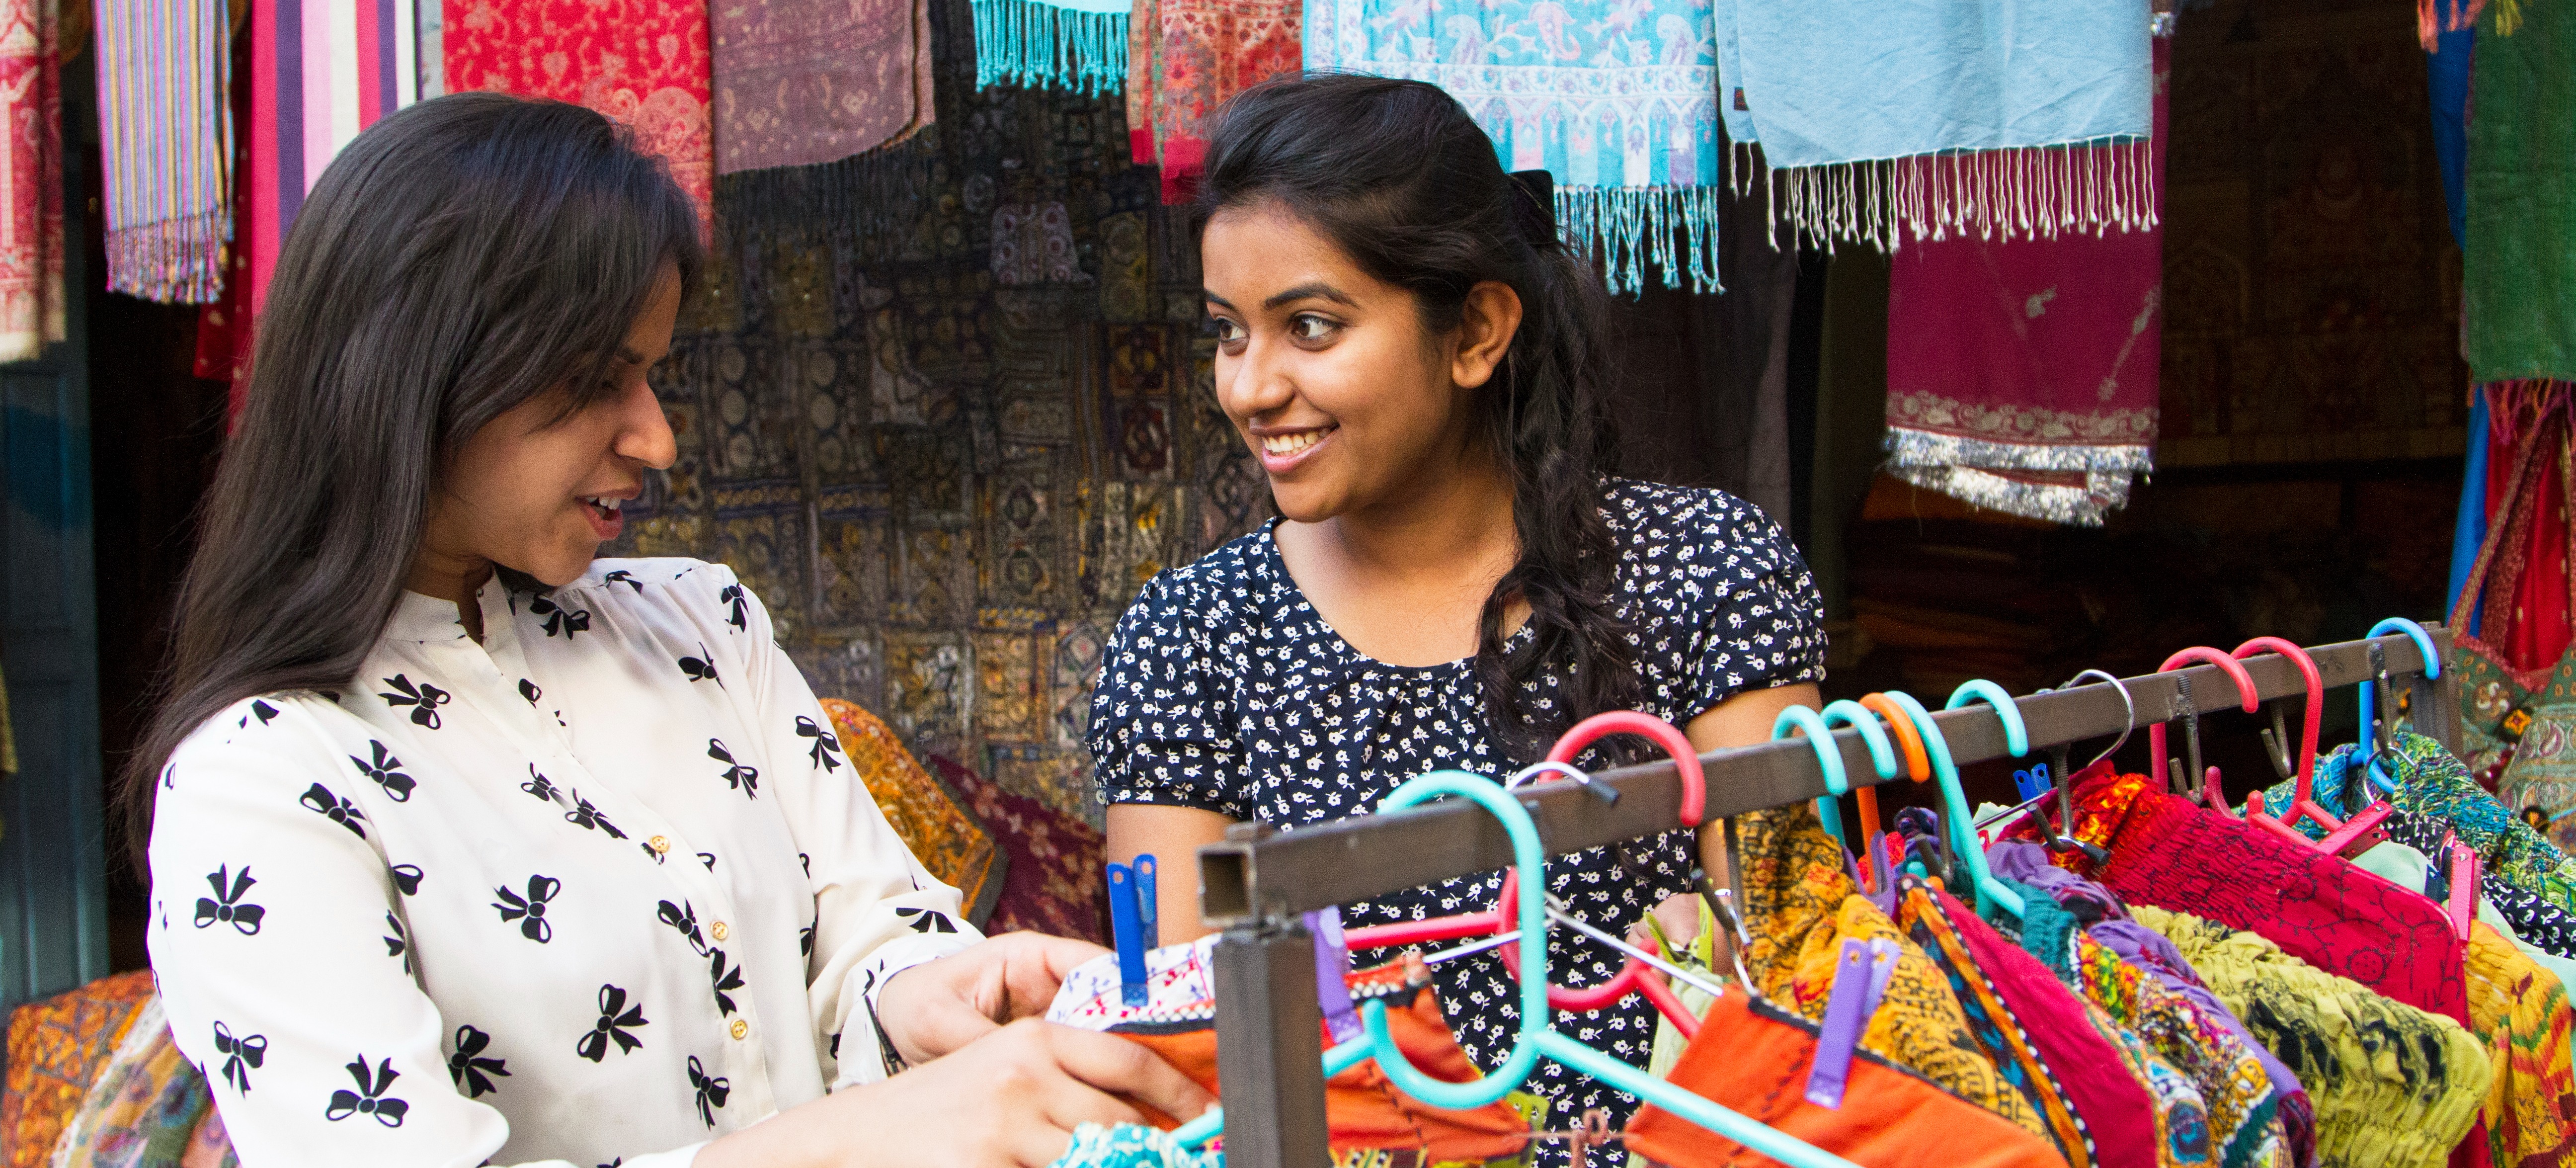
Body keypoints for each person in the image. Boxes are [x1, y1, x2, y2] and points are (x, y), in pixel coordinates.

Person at [130, 94, 1208, 1168]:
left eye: (652, 373)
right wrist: (871, 1136)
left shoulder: (701, 619)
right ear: (417, 372)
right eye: (599, 379)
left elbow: (865, 926)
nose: (657, 436)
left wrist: (918, 991)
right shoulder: (261, 782)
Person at [1090, 74, 1828, 1140]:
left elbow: (1786, 979)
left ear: (1476, 331)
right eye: (1229, 332)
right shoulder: (1190, 643)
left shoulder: (1704, 571)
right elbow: (1191, 1060)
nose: (1249, 388)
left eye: (1309, 325)